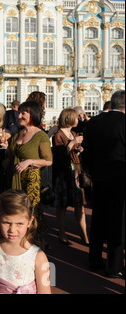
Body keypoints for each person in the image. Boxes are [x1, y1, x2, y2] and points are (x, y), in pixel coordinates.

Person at [83, 90, 125, 279]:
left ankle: (94, 260)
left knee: (98, 220)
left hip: (99, 178)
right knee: (119, 223)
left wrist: (92, 172)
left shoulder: (95, 123)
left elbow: (87, 153)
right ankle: (113, 266)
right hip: (121, 180)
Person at [6, 100, 52, 249]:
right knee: (16, 211)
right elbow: (10, 157)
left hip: (31, 180)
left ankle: (35, 242)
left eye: (23, 113)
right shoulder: (17, 134)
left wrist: (30, 161)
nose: (19, 116)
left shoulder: (41, 136)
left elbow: (48, 161)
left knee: (31, 211)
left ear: (33, 114)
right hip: (15, 179)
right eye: (19, 112)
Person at [52, 108, 89, 245]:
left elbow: (73, 154)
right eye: (76, 117)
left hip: (76, 170)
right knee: (62, 205)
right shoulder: (58, 134)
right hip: (63, 173)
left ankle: (84, 235)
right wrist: (73, 143)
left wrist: (79, 150)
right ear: (69, 119)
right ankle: (62, 233)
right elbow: (60, 156)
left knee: (80, 204)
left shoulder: (73, 132)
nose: (78, 119)